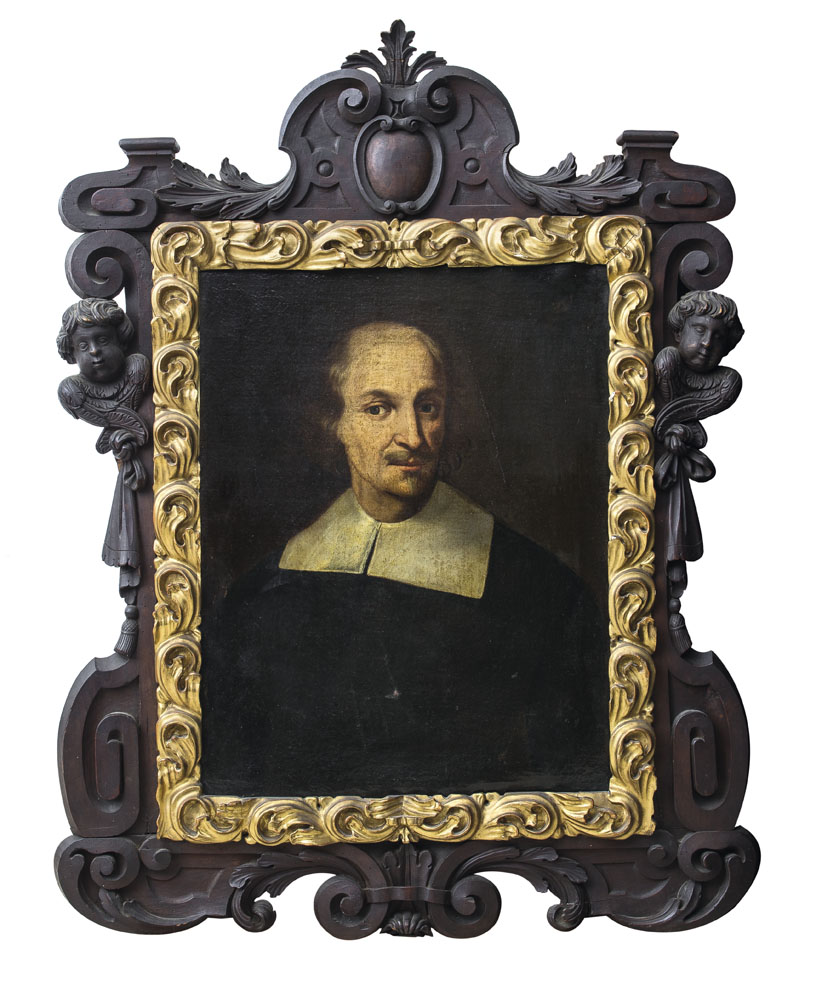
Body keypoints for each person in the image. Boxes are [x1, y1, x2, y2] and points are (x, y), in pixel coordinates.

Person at [201, 323, 609, 798]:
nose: (413, 437)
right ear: (334, 423)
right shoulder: (260, 598)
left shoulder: (545, 594)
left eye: (428, 407)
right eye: (379, 408)